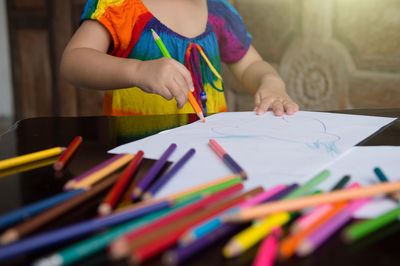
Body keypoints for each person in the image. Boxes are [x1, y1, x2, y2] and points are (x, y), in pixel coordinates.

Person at [61, 0, 299, 120]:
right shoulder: (121, 7)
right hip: (139, 161)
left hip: (210, 157)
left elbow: (249, 65)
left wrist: (270, 81)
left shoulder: (218, 9)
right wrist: (137, 71)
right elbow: (74, 61)